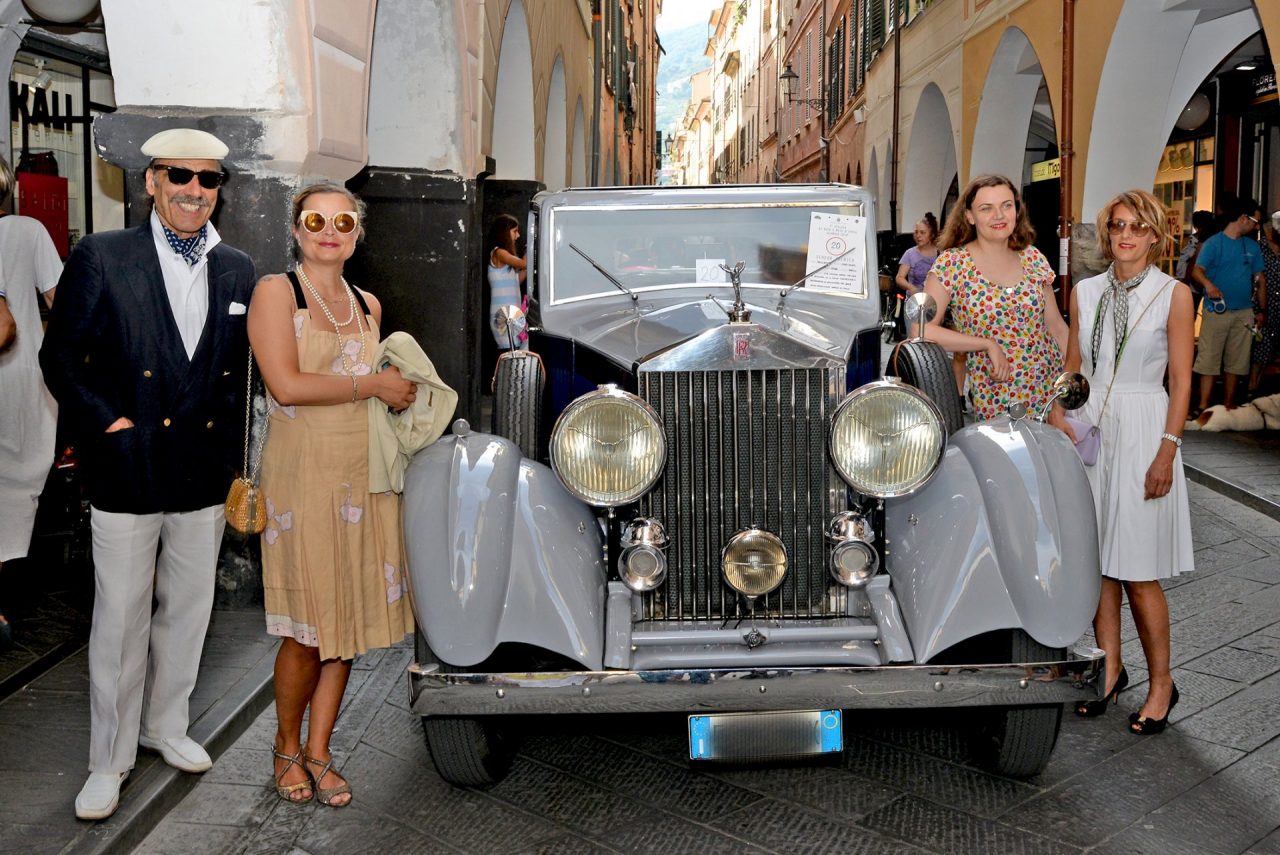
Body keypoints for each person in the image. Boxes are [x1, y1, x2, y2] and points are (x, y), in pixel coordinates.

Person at [39, 129, 258, 820]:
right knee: (121, 618)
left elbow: (242, 374)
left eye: (208, 178)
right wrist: (108, 422)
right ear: (151, 182)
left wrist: (240, 460)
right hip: (126, 469)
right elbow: (60, 358)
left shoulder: (238, 268)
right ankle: (109, 758)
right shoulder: (104, 255)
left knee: (190, 610)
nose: (195, 190)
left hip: (201, 469)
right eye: (179, 176)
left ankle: (166, 724)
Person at [248, 183, 416, 807]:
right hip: (303, 476)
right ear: (296, 229)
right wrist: (373, 384)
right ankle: (285, 747)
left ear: (357, 234)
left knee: (342, 623)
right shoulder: (276, 293)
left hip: (363, 476)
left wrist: (403, 391)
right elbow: (286, 386)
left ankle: (320, 750)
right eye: (316, 219)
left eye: (343, 222)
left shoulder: (367, 304)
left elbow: (379, 391)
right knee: (308, 630)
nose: (329, 230)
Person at [1054, 189, 1194, 734]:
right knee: (1099, 567)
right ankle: (1109, 670)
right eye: (1117, 226)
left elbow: (1181, 380)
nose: (1126, 236)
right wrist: (1059, 414)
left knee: (1137, 572)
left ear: (1156, 236)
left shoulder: (1173, 294)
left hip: (1144, 430)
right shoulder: (1085, 293)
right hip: (1093, 431)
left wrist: (1168, 448)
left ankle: (1163, 685)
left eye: (1137, 227)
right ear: (1106, 233)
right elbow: (1074, 366)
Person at [922, 174, 1068, 420]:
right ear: (969, 216)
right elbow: (922, 330)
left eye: (1006, 205)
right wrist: (985, 343)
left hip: (1050, 397)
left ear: (1016, 210)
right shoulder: (953, 264)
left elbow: (1055, 326)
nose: (999, 215)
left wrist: (1073, 380)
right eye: (986, 208)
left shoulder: (1033, 257)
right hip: (997, 397)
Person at [0, 153, 63, 652]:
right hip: (21, 377)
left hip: (18, 370)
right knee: (19, 485)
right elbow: (61, 305)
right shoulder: (27, 231)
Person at [1190, 197, 1265, 415]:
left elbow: (1260, 279)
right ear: (1243, 218)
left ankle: (1229, 406)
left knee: (1237, 361)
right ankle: (1203, 406)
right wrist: (1209, 285)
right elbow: (1196, 271)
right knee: (1209, 359)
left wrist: (1261, 309)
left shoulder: (1252, 247)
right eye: (1255, 221)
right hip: (1216, 312)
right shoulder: (1214, 244)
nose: (1256, 226)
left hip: (1244, 313)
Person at [894, 212, 939, 339]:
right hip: (913, 304)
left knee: (931, 340)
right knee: (914, 340)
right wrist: (911, 288)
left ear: (932, 234)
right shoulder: (910, 254)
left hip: (934, 306)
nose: (918, 236)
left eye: (922, 232)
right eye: (916, 232)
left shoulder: (941, 254)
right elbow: (899, 278)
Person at [1249, 211, 1279, 395]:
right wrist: (1259, 308)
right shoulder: (1257, 249)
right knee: (1260, 347)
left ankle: (1259, 387)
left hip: (1278, 307)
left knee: (1270, 350)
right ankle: (1251, 387)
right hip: (1261, 306)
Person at [487, 213, 527, 350]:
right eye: (515, 231)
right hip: (504, 316)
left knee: (514, 351)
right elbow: (523, 263)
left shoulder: (504, 256)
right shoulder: (499, 253)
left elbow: (517, 280)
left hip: (511, 315)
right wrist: (531, 248)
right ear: (505, 233)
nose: (518, 236)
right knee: (509, 351)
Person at [1174, 209, 1215, 317]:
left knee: (1189, 313)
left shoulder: (1188, 240)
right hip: (1193, 280)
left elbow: (1182, 261)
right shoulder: (1211, 242)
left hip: (1187, 279)